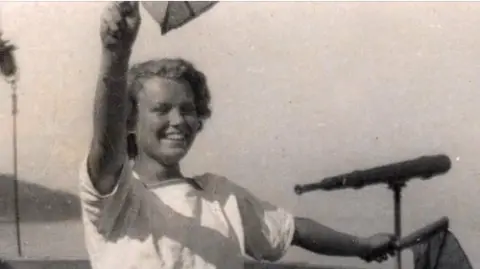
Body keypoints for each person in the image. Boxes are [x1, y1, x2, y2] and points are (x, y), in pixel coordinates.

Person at [79, 2, 396, 269]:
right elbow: (106, 146)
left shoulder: (221, 195)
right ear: (130, 121)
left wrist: (362, 245)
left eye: (188, 109)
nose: (178, 120)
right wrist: (116, 54)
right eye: (161, 109)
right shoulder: (116, 196)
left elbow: (291, 230)